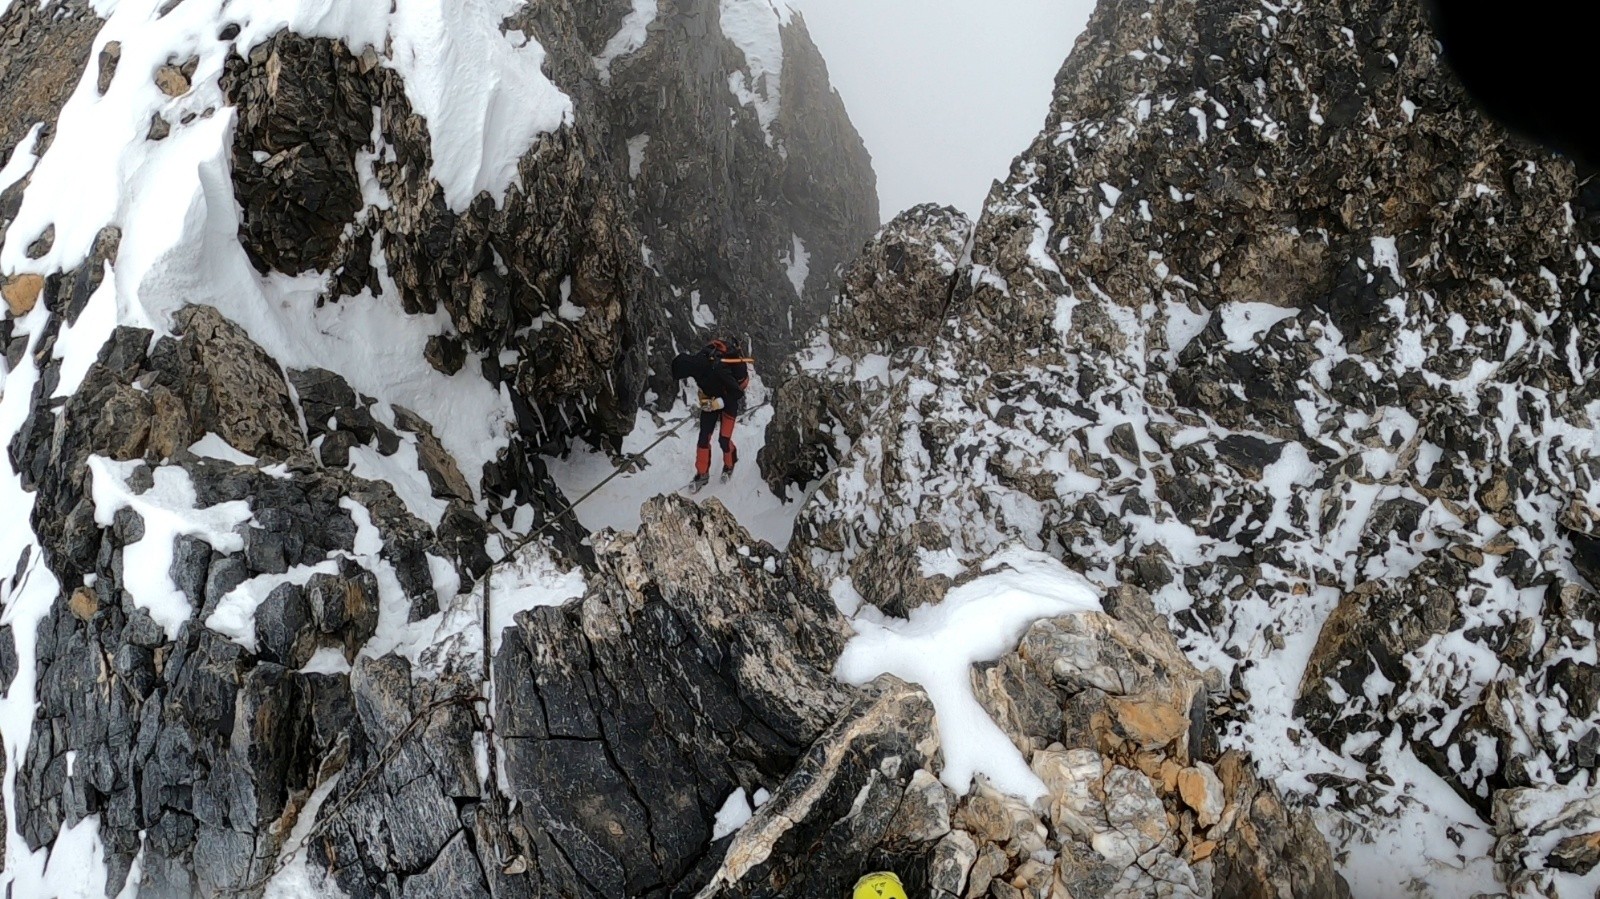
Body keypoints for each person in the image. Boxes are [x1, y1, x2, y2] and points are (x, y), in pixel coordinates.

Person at [670, 338, 753, 490]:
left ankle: (729, 464)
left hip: (729, 402)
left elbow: (736, 392)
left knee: (724, 439)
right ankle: (702, 475)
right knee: (703, 438)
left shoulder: (718, 368)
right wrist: (704, 395)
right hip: (711, 400)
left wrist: (718, 403)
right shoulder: (697, 366)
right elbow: (706, 384)